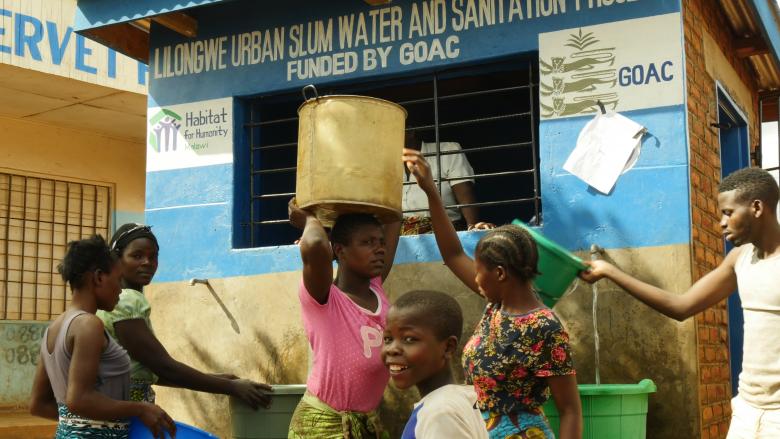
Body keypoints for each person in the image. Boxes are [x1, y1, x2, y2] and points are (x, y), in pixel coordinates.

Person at [580, 167, 780, 438]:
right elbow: (681, 306)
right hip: (747, 411)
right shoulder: (740, 258)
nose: (721, 222)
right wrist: (610, 271)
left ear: (756, 207)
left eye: (728, 213)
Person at [403, 148, 582, 439]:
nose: (474, 277)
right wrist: (432, 194)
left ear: (499, 274)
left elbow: (570, 410)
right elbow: (451, 253)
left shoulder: (545, 326)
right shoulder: (496, 305)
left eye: (479, 270)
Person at [97, 223, 273, 408]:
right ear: (117, 259)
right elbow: (163, 366)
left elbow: (153, 373)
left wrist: (219, 380)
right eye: (137, 256)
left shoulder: (115, 301)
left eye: (153, 256)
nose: (147, 262)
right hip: (126, 414)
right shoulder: (127, 302)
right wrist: (230, 386)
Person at [29, 235, 176, 438]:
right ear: (98, 277)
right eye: (117, 280)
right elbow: (79, 399)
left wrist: (83, 424)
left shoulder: (54, 327)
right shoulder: (88, 325)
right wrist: (140, 408)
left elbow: (38, 404)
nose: (120, 289)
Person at [287, 199, 401, 438]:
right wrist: (310, 218)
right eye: (367, 243)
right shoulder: (325, 298)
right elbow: (316, 243)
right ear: (339, 250)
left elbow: (393, 217)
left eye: (380, 242)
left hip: (366, 424)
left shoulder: (376, 287)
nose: (380, 249)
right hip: (322, 426)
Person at [382, 290, 488, 439]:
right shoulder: (469, 397)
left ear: (448, 347)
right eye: (388, 339)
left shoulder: (440, 414)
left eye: (409, 339)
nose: (392, 349)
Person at [402, 131, 493, 235]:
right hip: (399, 238)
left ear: (410, 131)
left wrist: (473, 227)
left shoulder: (447, 150)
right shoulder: (388, 161)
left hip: (443, 233)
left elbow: (464, 195)